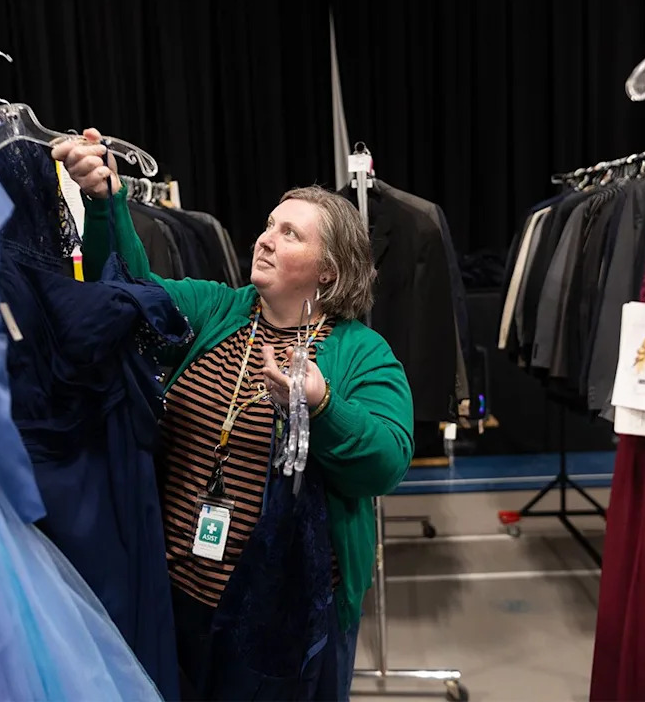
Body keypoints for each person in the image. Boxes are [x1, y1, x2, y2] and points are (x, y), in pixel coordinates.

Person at [53, 129, 413, 700]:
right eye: (269, 225)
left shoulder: (361, 352)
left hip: (283, 618)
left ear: (329, 271)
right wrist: (104, 202)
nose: (265, 240)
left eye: (289, 233)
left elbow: (385, 465)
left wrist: (320, 405)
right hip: (176, 594)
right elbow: (128, 294)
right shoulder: (217, 308)